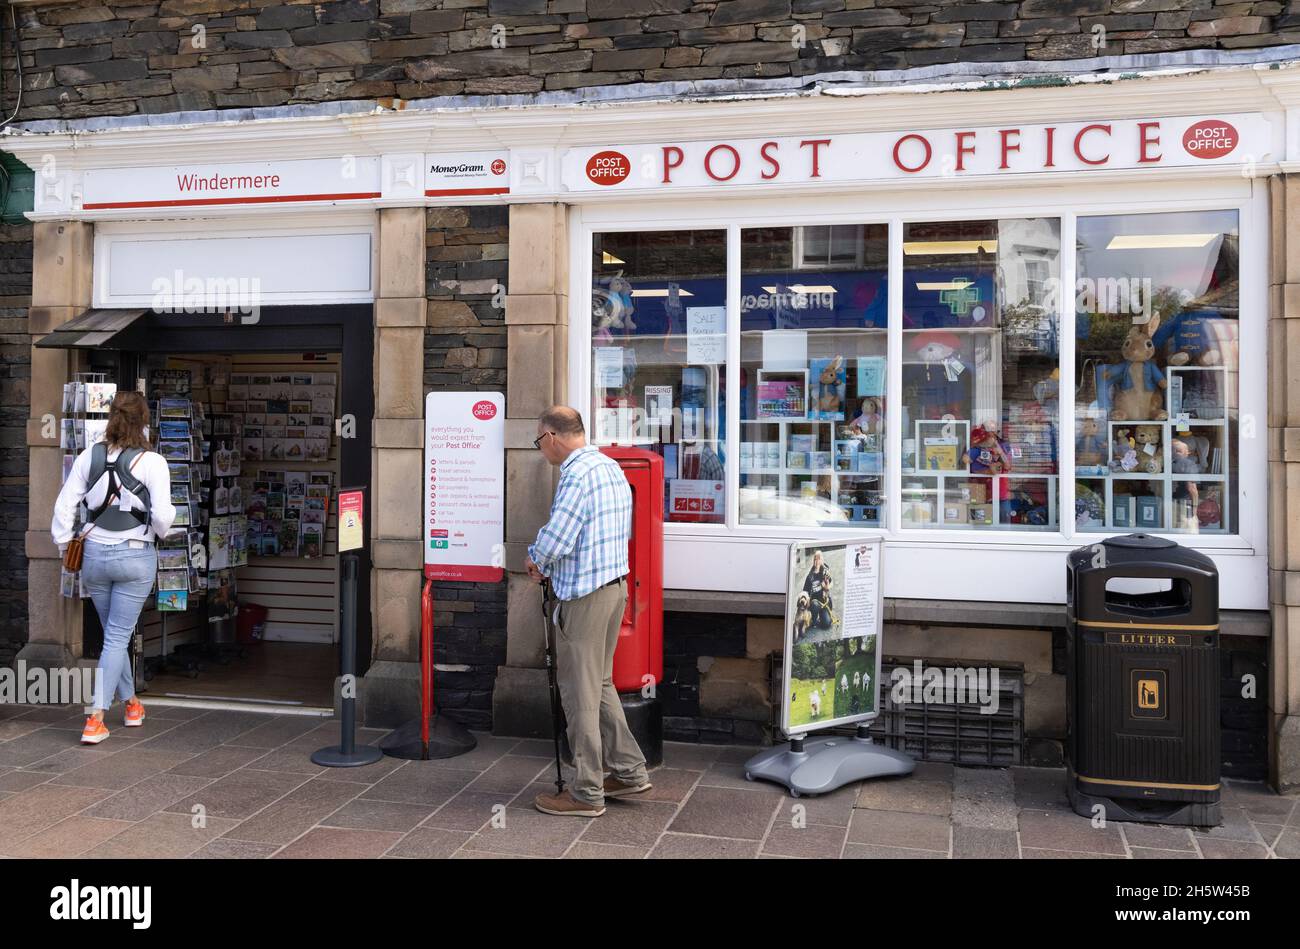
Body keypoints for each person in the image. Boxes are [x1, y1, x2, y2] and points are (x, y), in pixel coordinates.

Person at [526, 405, 650, 817]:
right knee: (600, 685)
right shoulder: (608, 466)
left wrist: (536, 559)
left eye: (539, 441)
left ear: (552, 437)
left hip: (585, 598)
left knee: (579, 695)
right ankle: (630, 772)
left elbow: (558, 537)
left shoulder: (575, 475)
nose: (541, 451)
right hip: (616, 590)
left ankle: (585, 793)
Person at [52, 390, 176, 745]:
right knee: (118, 636)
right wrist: (161, 531)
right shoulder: (153, 462)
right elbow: (164, 517)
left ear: (112, 417)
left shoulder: (88, 457)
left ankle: (133, 704)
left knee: (113, 637)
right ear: (145, 420)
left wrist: (65, 545)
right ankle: (95, 717)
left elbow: (64, 507)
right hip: (135, 556)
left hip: (94, 556)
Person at [802, 550, 834, 630]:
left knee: (827, 624)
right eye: (815, 559)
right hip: (814, 603)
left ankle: (822, 617)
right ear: (813, 561)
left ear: (822, 560)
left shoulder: (824, 572)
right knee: (814, 604)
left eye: (819, 559)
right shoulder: (810, 576)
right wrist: (807, 600)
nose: (817, 561)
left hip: (823, 602)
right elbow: (805, 592)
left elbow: (831, 582)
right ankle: (814, 619)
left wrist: (827, 587)